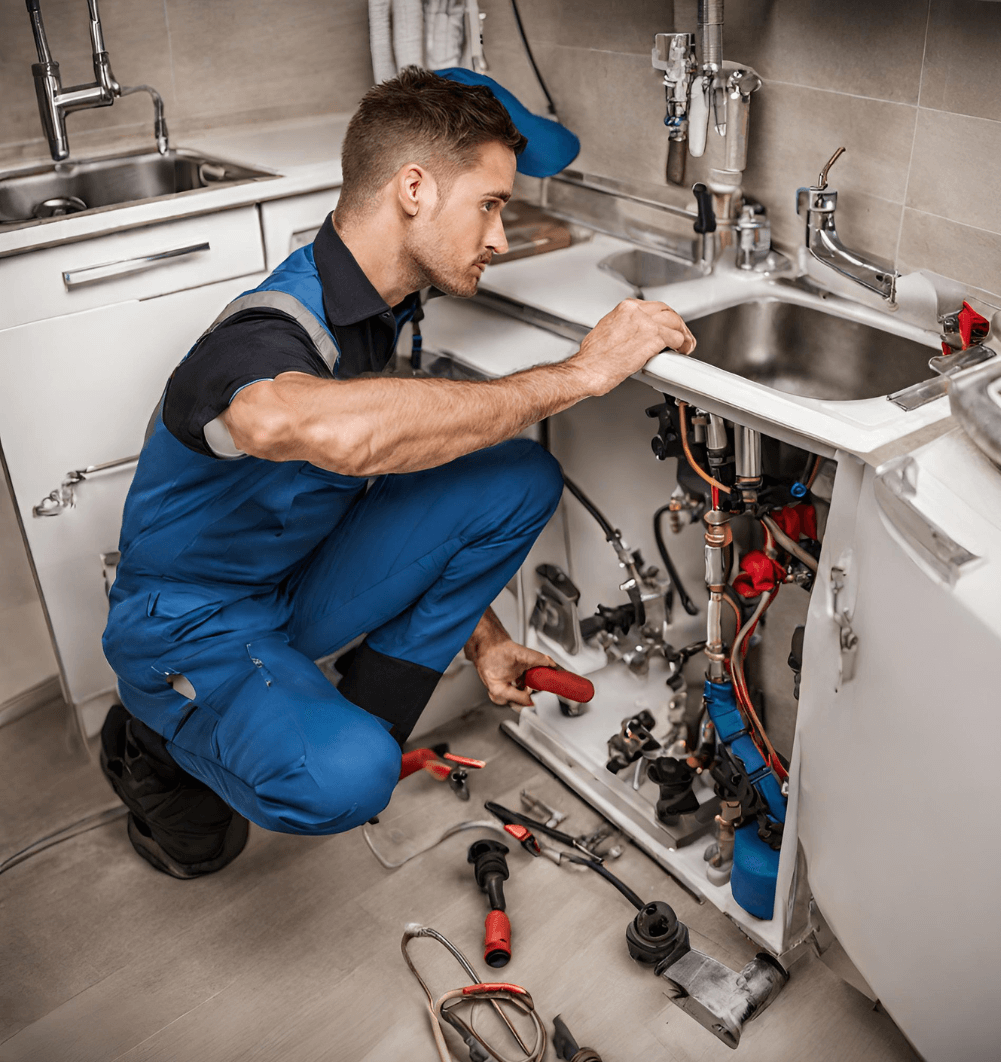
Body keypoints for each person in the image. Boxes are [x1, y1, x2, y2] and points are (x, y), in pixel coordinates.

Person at [99, 67, 696, 879]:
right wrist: (579, 374)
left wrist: (480, 637)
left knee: (518, 478)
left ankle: (318, 713)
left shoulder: (385, 312)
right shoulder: (268, 330)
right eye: (490, 205)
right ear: (414, 188)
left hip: (293, 582)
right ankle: (148, 736)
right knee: (256, 823)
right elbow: (294, 424)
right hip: (190, 621)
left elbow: (383, 472)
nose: (501, 239)